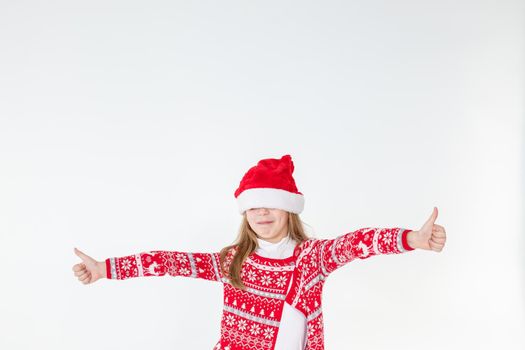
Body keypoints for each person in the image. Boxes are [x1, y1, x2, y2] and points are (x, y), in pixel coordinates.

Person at [72, 154, 447, 350]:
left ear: (290, 209)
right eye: (254, 207)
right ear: (245, 213)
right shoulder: (232, 260)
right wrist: (107, 268)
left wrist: (411, 239)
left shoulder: (311, 257)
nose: (262, 213)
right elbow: (172, 262)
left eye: (270, 205)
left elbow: (356, 243)